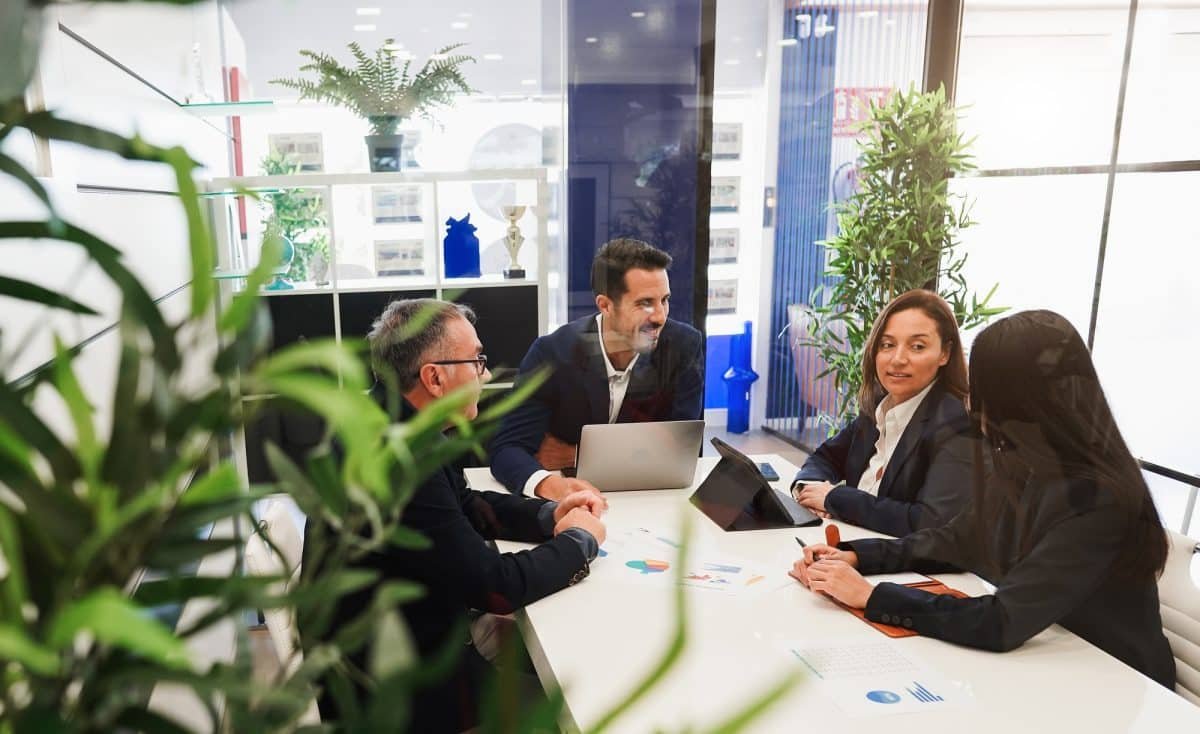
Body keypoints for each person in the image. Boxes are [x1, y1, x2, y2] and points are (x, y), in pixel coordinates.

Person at [790, 310, 1175, 689]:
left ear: (1022, 399)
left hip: (1111, 683)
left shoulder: (1096, 498)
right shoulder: (1027, 460)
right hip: (1049, 657)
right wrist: (857, 557)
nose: (973, 403)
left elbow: (1002, 621)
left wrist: (870, 596)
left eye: (983, 391)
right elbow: (957, 539)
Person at [299, 298, 608, 733]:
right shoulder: (400, 460)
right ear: (435, 377)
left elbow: (465, 505)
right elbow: (495, 587)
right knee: (574, 711)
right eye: (477, 360)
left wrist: (550, 513)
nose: (484, 374)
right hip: (396, 687)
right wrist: (579, 542)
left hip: (395, 642)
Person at [489, 238, 705, 500]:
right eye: (644, 303)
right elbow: (507, 449)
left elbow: (679, 450)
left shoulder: (683, 346)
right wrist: (551, 486)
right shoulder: (553, 353)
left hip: (650, 497)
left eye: (665, 300)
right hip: (573, 498)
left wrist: (577, 455)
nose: (660, 316)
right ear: (605, 305)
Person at [790, 289, 974, 536]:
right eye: (887, 345)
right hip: (847, 546)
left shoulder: (954, 423)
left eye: (917, 346)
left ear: (945, 353)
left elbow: (929, 522)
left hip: (901, 567)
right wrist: (809, 488)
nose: (898, 359)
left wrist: (836, 498)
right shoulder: (879, 406)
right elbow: (826, 456)